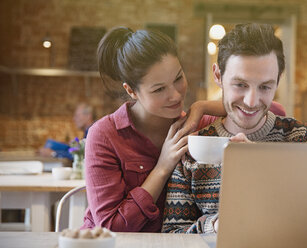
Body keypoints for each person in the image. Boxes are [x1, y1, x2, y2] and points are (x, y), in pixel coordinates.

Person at [162, 23, 307, 234]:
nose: (251, 101)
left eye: (265, 87)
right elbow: (171, 235)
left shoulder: (306, 140)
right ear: (218, 76)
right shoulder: (193, 152)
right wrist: (214, 227)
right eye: (240, 85)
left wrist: (262, 168)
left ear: (278, 82)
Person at [81, 26, 232, 232]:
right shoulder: (105, 135)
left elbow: (264, 108)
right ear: (131, 91)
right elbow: (111, 226)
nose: (176, 96)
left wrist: (201, 106)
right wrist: (162, 167)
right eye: (159, 89)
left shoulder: (196, 123)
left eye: (178, 78)